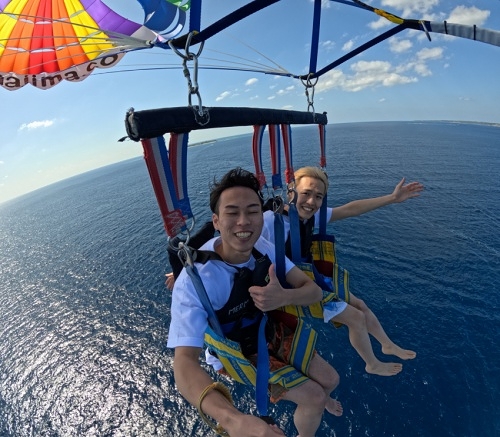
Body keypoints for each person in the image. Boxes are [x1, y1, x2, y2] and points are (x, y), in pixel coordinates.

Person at [167, 168, 343, 437]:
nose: (243, 222)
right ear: (216, 221)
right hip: (235, 352)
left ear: (262, 216)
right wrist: (233, 420)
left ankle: (321, 402)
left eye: (252, 211)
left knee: (331, 380)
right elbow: (184, 363)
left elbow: (314, 292)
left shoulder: (262, 247)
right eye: (232, 213)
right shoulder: (195, 281)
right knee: (314, 397)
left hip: (266, 328)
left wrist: (284, 297)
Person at [261, 167, 422, 377]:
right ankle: (372, 364)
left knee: (360, 305)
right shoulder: (269, 221)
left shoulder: (309, 216)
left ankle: (387, 344)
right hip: (289, 290)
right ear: (291, 190)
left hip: (307, 279)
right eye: (306, 193)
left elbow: (350, 210)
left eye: (318, 197)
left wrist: (391, 198)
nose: (311, 202)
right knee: (355, 317)